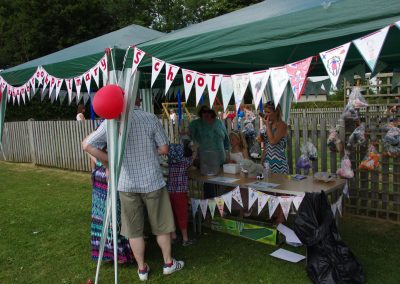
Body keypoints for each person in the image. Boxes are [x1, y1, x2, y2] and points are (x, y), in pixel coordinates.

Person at [82, 96, 183, 281]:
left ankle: (142, 269)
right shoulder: (149, 118)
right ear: (137, 100)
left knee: (133, 230)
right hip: (151, 180)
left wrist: (109, 159)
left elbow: (86, 145)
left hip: (126, 183)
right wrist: (149, 151)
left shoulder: (111, 122)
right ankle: (168, 263)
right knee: (161, 225)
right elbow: (165, 149)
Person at [87, 143, 133, 263]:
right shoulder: (108, 142)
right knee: (110, 218)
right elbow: (87, 146)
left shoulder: (105, 146)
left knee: (110, 218)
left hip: (106, 179)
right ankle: (115, 253)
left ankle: (111, 253)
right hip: (104, 181)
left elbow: (87, 147)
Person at [167, 141, 195, 246]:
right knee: (182, 214)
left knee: (171, 214)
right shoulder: (184, 162)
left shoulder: (171, 162)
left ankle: (173, 236)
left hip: (169, 192)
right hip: (180, 193)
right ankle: (185, 239)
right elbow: (192, 157)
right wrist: (194, 149)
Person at [260, 102, 289, 174]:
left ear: (276, 112)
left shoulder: (282, 125)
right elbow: (266, 146)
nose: (266, 114)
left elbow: (273, 142)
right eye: (265, 112)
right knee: (264, 184)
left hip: (279, 165)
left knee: (280, 185)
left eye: (268, 112)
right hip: (267, 164)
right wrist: (261, 162)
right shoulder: (269, 125)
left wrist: (267, 125)